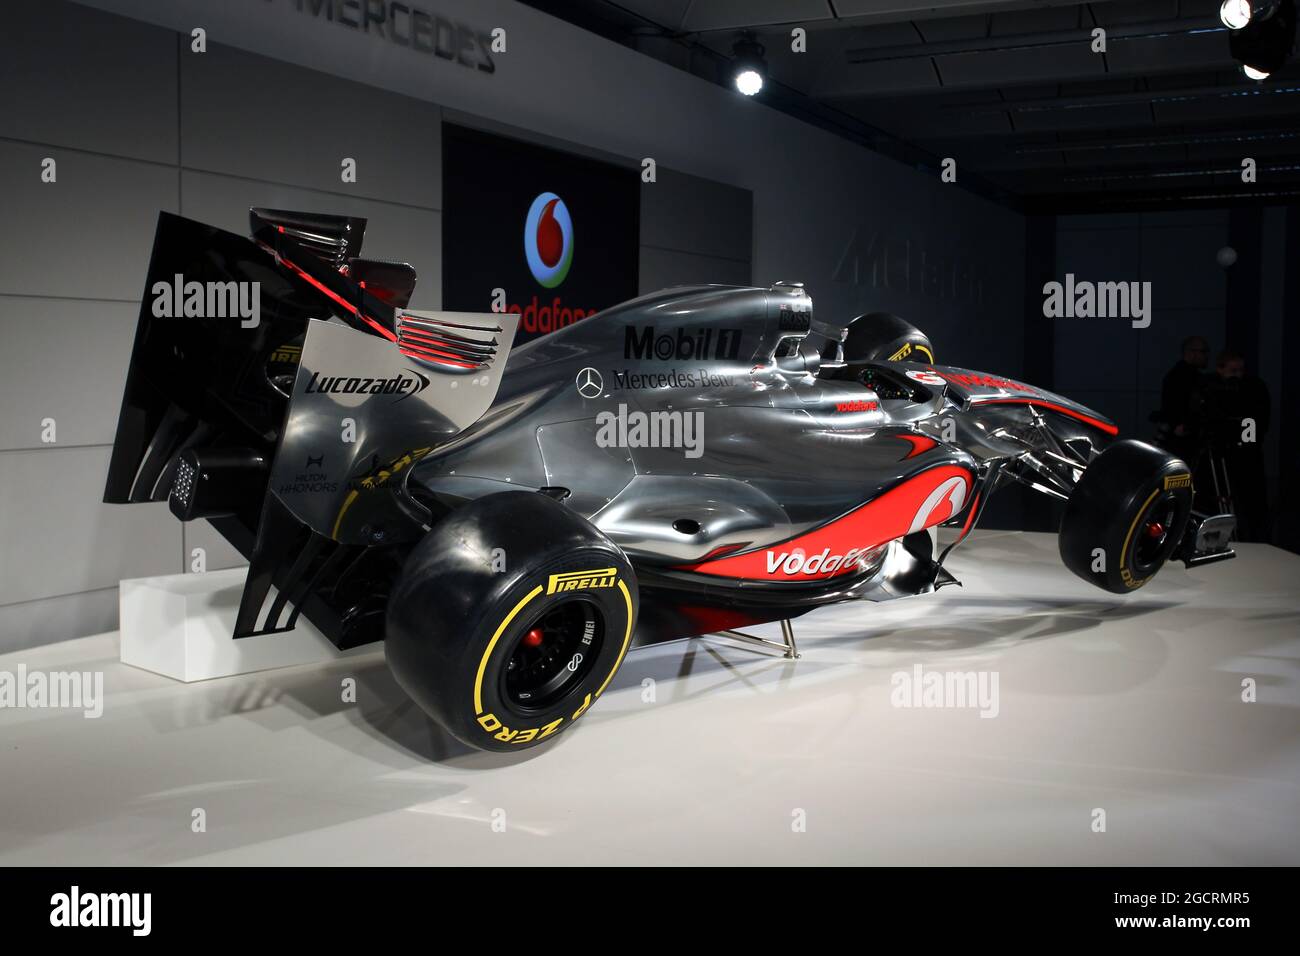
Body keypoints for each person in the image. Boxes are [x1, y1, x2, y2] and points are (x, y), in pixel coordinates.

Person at [1199, 350, 1272, 542]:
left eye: (1241, 371)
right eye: (1233, 371)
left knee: (1250, 500)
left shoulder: (1253, 388)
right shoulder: (1210, 387)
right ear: (1220, 369)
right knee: (1214, 497)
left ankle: (1254, 538)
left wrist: (1247, 442)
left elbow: (1258, 422)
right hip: (1218, 453)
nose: (1237, 376)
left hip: (1247, 454)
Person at [1156, 336, 1210, 461]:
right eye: (1204, 351)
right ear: (1191, 352)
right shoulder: (1191, 378)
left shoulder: (1174, 375)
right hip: (1185, 440)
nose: (1207, 356)